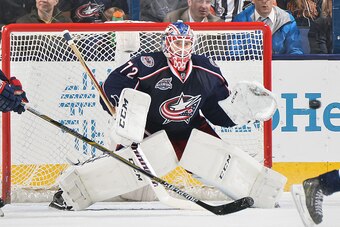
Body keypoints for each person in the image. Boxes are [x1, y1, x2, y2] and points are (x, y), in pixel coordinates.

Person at [49, 21, 285, 211]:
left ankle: (260, 192)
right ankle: (70, 192)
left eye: (186, 44)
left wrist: (239, 114)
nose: (181, 50)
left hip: (190, 129)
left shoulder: (207, 70)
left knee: (220, 161)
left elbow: (215, 110)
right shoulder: (148, 64)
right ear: (166, 44)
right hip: (148, 130)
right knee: (120, 170)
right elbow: (113, 84)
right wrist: (116, 104)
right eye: (177, 43)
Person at [232, 0, 304, 55]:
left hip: (280, 67)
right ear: (253, 0)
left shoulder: (287, 20)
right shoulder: (240, 20)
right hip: (249, 67)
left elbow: (295, 51)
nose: (264, 1)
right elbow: (235, 52)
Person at [57, 0, 125, 23]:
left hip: (106, 34)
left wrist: (115, 14)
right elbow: (64, 18)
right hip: (80, 35)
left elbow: (125, 16)